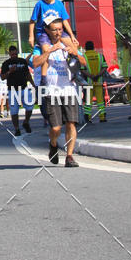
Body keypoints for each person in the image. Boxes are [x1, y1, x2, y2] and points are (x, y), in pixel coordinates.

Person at [35, 18, 86, 166]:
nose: (58, 32)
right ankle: (53, 144)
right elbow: (36, 63)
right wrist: (50, 51)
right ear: (47, 31)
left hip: (69, 90)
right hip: (52, 92)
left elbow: (83, 62)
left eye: (60, 29)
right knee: (56, 128)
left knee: (71, 124)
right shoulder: (41, 45)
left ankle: (69, 156)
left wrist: (74, 52)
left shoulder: (67, 43)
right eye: (54, 30)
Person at [28, 0, 78, 67]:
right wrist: (31, 36)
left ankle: (75, 69)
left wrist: (72, 35)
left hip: (58, 31)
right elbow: (32, 21)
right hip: (43, 32)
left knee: (73, 46)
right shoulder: (40, 4)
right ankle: (44, 74)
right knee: (46, 51)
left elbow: (65, 21)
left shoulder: (59, 4)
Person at [0, 44, 34, 136]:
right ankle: (17, 128)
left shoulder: (22, 61)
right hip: (12, 90)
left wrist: (33, 84)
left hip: (24, 88)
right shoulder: (6, 64)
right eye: (12, 54)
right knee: (14, 111)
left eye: (15, 54)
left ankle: (26, 122)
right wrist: (9, 71)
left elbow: (28, 74)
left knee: (30, 107)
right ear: (9, 54)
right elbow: (2, 77)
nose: (14, 56)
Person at [84, 40, 108, 122]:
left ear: (85, 48)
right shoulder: (100, 56)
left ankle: (88, 118)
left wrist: (90, 76)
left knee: (88, 101)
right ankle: (102, 117)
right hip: (98, 81)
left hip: (88, 82)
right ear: (93, 47)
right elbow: (104, 67)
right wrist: (98, 75)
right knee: (100, 101)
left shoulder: (83, 57)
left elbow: (82, 70)